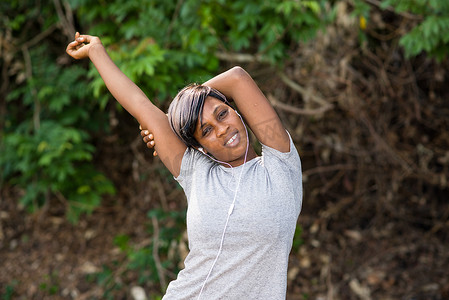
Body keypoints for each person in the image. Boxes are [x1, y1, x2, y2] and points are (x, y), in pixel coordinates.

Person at [66, 32, 303, 299]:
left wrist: (177, 116)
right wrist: (96, 50)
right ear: (199, 145)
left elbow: (237, 78)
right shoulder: (197, 172)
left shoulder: (280, 164)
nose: (223, 130)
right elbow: (139, 105)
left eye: (222, 114)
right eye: (206, 130)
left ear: (237, 110)